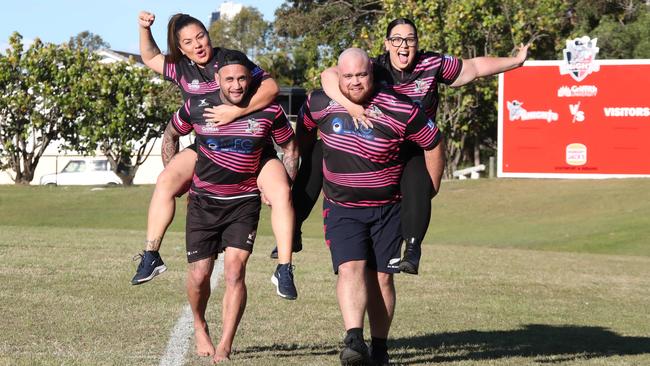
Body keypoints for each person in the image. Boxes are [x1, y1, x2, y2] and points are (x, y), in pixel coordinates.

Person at [291, 18, 530, 274]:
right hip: (378, 145)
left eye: (409, 39)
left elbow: (473, 67)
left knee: (416, 170)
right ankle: (292, 230)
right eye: (396, 39)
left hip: (414, 144)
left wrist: (514, 62)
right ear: (387, 44)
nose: (403, 46)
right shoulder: (373, 67)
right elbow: (329, 76)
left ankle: (413, 249)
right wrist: (350, 106)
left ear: (417, 43)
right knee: (317, 152)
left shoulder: (432, 64)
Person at [131, 12, 297, 296]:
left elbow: (271, 87)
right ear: (180, 49)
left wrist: (238, 110)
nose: (197, 44)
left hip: (254, 144)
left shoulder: (229, 58)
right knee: (166, 180)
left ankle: (284, 267)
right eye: (188, 42)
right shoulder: (181, 68)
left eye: (201, 36)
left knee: (280, 191)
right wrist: (144, 29)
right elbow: (149, 57)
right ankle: (151, 255)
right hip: (210, 144)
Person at [297, 47, 445, 366]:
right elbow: (303, 136)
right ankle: (353, 339)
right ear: (338, 75)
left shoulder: (401, 108)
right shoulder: (320, 102)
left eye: (361, 75)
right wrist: (290, 172)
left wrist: (428, 190)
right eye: (347, 75)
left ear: (372, 74)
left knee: (382, 279)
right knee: (350, 268)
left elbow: (432, 142)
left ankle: (379, 347)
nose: (354, 82)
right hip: (341, 207)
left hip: (388, 208)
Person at [165, 49, 298, 361]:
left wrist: (282, 183)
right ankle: (199, 325)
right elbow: (171, 135)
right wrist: (174, 176)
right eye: (230, 79)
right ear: (217, 80)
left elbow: (290, 147)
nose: (237, 85)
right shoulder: (197, 106)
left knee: (236, 271)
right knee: (199, 275)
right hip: (203, 203)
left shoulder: (268, 111)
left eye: (242, 78)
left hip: (243, 202)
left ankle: (225, 344)